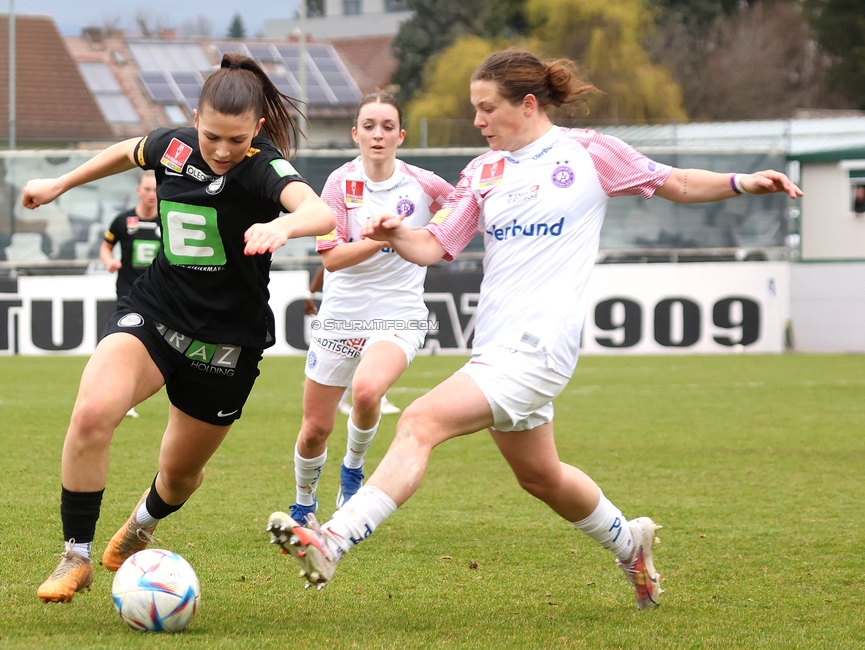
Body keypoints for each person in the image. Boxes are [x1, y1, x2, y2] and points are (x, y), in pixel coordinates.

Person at [266, 49, 802, 608]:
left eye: (486, 109)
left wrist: (743, 182)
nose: (477, 122)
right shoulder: (482, 172)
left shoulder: (589, 152)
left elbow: (678, 183)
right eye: (475, 110)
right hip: (497, 342)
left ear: (526, 105)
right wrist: (395, 231)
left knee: (420, 421)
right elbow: (433, 244)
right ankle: (630, 543)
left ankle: (334, 537)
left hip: (541, 344)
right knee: (541, 477)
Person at [24, 52, 335, 604]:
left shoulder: (264, 165)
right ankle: (75, 555)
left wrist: (283, 226)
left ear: (257, 130)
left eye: (236, 140)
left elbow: (320, 212)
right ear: (195, 119)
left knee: (179, 476)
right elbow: (126, 151)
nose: (221, 151)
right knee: (93, 412)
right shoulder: (173, 146)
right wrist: (60, 184)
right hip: (156, 312)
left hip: (226, 345)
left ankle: (143, 523)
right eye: (211, 135)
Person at [288, 92, 454, 525]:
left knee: (365, 391)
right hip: (340, 316)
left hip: (398, 312)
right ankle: (304, 503)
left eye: (386, 126)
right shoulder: (340, 183)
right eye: (368, 126)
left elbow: (462, 208)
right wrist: (383, 237)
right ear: (355, 134)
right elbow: (331, 257)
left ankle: (352, 473)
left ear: (400, 135)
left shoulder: (422, 182)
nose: (377, 135)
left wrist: (425, 231)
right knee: (314, 430)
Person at [100, 171, 161, 418]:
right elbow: (106, 246)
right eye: (147, 189)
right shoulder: (123, 221)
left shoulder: (167, 221)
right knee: (127, 343)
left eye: (156, 189)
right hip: (129, 295)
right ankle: (122, 397)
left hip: (160, 293)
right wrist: (109, 261)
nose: (151, 194)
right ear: (138, 191)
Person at [304, 264, 400, 417]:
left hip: (375, 306)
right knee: (352, 354)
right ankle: (342, 399)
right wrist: (310, 293)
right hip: (347, 309)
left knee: (372, 351)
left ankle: (378, 397)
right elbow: (327, 263)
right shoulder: (344, 248)